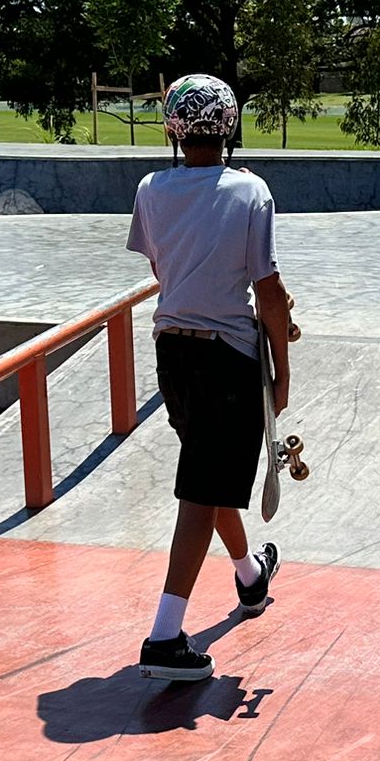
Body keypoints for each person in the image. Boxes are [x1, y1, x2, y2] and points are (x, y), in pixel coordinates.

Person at [128, 74, 290, 682]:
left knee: (208, 471)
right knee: (202, 489)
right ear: (229, 127)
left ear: (174, 129)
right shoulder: (251, 192)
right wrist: (283, 366)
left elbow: (164, 264)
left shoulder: (150, 189)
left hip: (173, 354)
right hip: (228, 358)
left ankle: (250, 577)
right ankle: (164, 638)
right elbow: (268, 291)